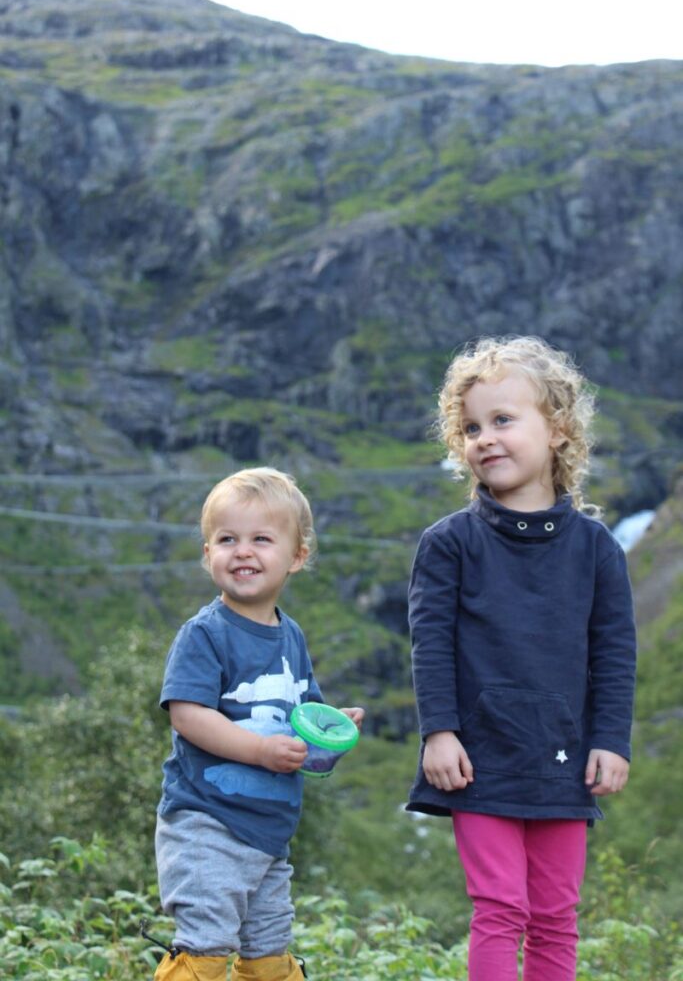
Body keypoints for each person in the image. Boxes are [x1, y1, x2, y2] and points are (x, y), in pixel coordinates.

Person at [406, 336, 637, 981]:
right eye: (472, 426)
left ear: (558, 429)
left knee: (557, 916)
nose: (486, 438)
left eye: (504, 420)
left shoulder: (598, 550)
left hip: (565, 759)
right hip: (477, 759)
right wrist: (440, 732)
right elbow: (432, 645)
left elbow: (615, 655)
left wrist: (611, 741)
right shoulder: (448, 545)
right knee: (501, 908)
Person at [153, 467, 364, 981]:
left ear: (297, 556)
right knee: (204, 946)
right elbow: (188, 716)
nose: (242, 551)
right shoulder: (204, 634)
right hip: (208, 823)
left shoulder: (291, 636)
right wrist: (260, 752)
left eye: (261, 540)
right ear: (208, 556)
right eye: (227, 539)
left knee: (269, 954)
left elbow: (302, 714)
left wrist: (331, 726)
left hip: (269, 831)